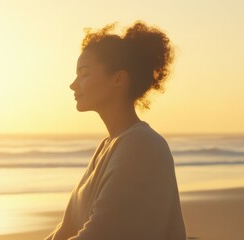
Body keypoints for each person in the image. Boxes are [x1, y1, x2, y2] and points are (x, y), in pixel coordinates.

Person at [43, 20, 187, 240]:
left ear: (118, 78)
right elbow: (65, 230)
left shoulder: (142, 145)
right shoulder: (109, 146)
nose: (73, 84)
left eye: (84, 73)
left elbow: (99, 234)